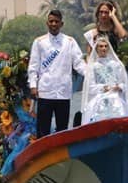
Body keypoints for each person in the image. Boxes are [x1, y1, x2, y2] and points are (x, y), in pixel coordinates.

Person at [28, 10, 87, 138]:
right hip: (45, 91)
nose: (54, 24)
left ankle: (60, 157)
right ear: (47, 23)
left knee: (62, 130)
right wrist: (33, 85)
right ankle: (43, 156)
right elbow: (33, 66)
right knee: (43, 130)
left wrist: (91, 75)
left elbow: (79, 63)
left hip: (63, 92)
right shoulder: (39, 42)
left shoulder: (70, 42)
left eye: (56, 21)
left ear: (61, 24)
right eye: (51, 21)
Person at [82, 35, 128, 123]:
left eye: (106, 46)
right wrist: (103, 88)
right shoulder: (92, 67)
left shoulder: (117, 65)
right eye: (101, 46)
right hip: (100, 98)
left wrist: (119, 87)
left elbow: (124, 84)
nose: (104, 48)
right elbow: (90, 87)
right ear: (96, 48)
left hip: (116, 98)